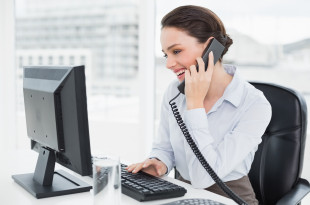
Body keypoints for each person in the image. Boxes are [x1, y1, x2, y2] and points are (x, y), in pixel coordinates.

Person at [126, 5, 271, 205]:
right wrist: (159, 162)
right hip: (183, 192)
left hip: (230, 197)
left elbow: (203, 177)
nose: (169, 64)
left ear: (210, 48)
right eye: (166, 54)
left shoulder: (254, 104)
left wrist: (195, 105)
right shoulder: (174, 92)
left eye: (177, 51)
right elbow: (164, 147)